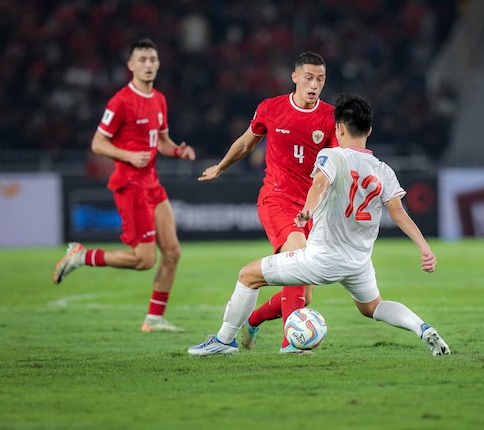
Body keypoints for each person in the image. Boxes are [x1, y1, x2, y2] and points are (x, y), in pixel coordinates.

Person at [188, 93, 451, 357]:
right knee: (372, 307)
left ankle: (225, 341)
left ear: (338, 128)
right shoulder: (383, 169)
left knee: (248, 276)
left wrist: (306, 210)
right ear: (369, 130)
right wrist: (425, 248)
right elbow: (399, 214)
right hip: (358, 263)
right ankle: (422, 327)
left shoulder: (332, 156)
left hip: (321, 259)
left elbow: (319, 183)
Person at [53, 38, 196, 333]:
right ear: (131, 65)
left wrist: (179, 151)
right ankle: (81, 256)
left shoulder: (159, 99)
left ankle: (154, 319)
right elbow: (98, 143)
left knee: (172, 253)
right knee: (144, 260)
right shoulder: (120, 101)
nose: (148, 65)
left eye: (152, 59)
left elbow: (163, 141)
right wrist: (128, 155)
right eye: (142, 59)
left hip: (152, 183)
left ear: (158, 64)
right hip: (130, 185)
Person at [197, 51, 337, 353]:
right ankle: (292, 345)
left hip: (312, 208)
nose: (314, 85)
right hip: (278, 199)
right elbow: (247, 142)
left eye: (321, 80)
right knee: (298, 258)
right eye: (309, 78)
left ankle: (253, 320)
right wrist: (221, 167)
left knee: (304, 293)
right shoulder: (271, 109)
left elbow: (336, 164)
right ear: (295, 77)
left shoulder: (330, 117)